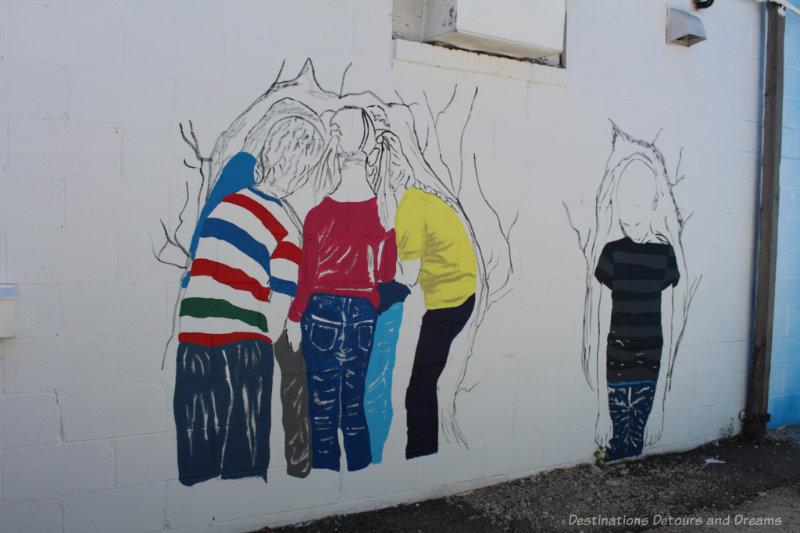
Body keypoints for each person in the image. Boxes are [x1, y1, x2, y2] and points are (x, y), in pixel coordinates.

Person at [173, 114, 324, 485]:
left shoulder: (225, 207)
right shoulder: (285, 228)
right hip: (242, 348)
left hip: (193, 343)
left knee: (197, 446)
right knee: (244, 452)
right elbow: (275, 315)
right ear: (301, 169)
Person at [288, 107, 397, 472]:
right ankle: (362, 476)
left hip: (319, 311)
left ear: (336, 146)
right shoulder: (384, 213)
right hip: (363, 314)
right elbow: (385, 274)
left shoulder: (317, 215)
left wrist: (293, 316)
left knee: (321, 407)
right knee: (354, 404)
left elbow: (306, 278)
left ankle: (325, 479)